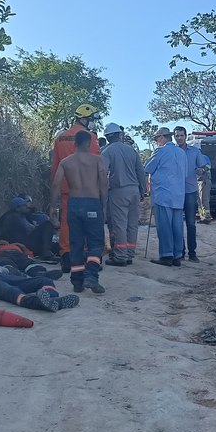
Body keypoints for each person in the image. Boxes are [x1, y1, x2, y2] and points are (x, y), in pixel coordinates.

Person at [51, 130, 109, 293]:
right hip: (92, 204)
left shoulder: (66, 162)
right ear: (88, 144)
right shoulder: (97, 160)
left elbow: (56, 184)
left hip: (74, 204)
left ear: (75, 144)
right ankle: (91, 275)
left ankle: (77, 282)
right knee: (95, 243)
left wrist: (52, 208)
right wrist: (103, 204)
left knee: (75, 244)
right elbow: (104, 182)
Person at [51, 104, 101, 273]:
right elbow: (96, 164)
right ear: (84, 119)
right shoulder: (90, 138)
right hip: (87, 190)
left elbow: (55, 166)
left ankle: (66, 256)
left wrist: (54, 193)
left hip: (66, 187)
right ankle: (88, 262)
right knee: (89, 227)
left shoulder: (60, 138)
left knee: (66, 223)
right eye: (91, 119)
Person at [0, 249, 79, 312]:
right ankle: (39, 303)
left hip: (1, 275)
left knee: (43, 281)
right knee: (12, 292)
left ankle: (52, 298)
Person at [102, 123, 147, 266]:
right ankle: (129, 253)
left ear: (108, 137)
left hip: (118, 191)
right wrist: (143, 191)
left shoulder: (107, 152)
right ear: (119, 135)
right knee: (132, 224)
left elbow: (102, 173)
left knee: (119, 225)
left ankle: (120, 256)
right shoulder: (131, 150)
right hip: (134, 191)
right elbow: (141, 172)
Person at [144, 126, 186, 267]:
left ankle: (167, 255)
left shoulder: (160, 151)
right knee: (177, 226)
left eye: (157, 139)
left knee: (164, 226)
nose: (156, 142)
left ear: (162, 137)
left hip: (163, 194)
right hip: (178, 194)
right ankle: (177, 255)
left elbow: (147, 168)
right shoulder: (181, 153)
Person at [173, 126, 210, 262]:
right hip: (175, 191)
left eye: (181, 135)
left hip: (190, 191)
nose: (179, 138)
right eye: (177, 136)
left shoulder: (194, 151)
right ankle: (179, 252)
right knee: (177, 223)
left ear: (185, 136)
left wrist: (201, 170)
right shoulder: (172, 152)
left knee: (191, 223)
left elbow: (204, 166)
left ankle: (192, 253)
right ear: (174, 137)